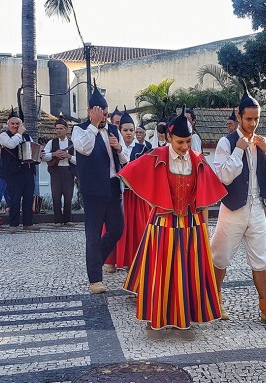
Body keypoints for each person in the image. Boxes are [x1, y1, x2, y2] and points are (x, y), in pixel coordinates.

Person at [120, 107, 227, 333]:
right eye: (180, 142)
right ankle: (155, 315)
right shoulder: (156, 156)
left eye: (188, 142)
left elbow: (205, 195)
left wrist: (204, 226)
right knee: (160, 271)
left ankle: (185, 316)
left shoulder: (197, 159)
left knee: (189, 272)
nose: (185, 147)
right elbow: (130, 173)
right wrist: (153, 199)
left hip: (191, 224)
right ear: (169, 138)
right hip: (162, 223)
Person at [211, 84, 266, 329]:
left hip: (257, 210)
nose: (253, 123)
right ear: (238, 116)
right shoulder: (226, 142)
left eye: (256, 119)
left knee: (260, 261)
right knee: (220, 258)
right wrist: (237, 151)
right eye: (248, 119)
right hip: (232, 210)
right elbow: (222, 177)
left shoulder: (263, 142)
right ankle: (213, 303)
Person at [72, 83, 126, 294]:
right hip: (93, 190)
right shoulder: (80, 130)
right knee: (93, 235)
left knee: (117, 229)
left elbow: (126, 159)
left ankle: (94, 261)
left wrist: (119, 148)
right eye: (100, 114)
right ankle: (95, 278)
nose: (104, 117)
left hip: (114, 187)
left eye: (106, 114)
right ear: (90, 112)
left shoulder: (113, 130)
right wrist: (94, 126)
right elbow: (83, 149)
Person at [103, 107, 150, 273]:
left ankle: (133, 260)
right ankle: (111, 260)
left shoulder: (144, 149)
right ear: (120, 131)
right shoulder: (112, 148)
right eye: (125, 130)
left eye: (132, 130)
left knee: (137, 229)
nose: (129, 133)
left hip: (136, 196)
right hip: (118, 193)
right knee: (115, 226)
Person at [0, 107, 39, 234]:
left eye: (17, 124)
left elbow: (33, 150)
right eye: (13, 124)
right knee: (15, 199)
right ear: (8, 124)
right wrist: (19, 134)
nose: (15, 126)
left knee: (28, 198)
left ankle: (28, 223)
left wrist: (39, 155)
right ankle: (13, 224)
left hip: (27, 171)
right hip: (13, 173)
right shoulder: (3, 136)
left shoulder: (27, 136)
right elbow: (11, 144)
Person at [41, 117, 77, 226]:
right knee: (56, 196)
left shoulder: (72, 143)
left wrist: (68, 156)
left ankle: (67, 219)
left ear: (66, 130)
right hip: (55, 171)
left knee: (68, 196)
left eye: (61, 128)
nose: (58, 130)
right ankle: (57, 220)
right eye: (57, 129)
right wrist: (53, 154)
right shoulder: (51, 142)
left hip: (68, 171)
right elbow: (43, 156)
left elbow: (79, 160)